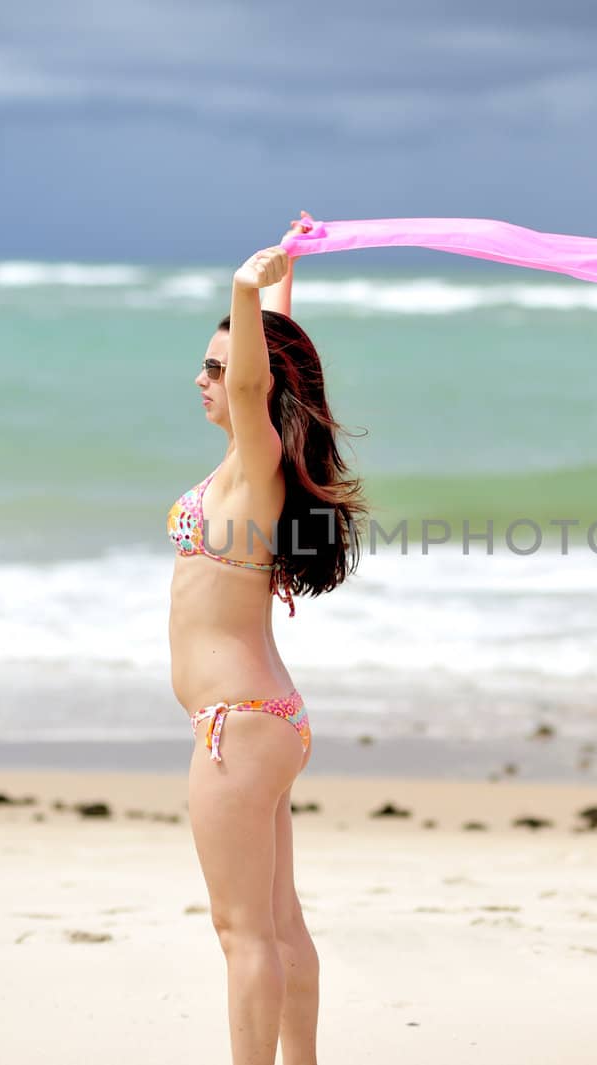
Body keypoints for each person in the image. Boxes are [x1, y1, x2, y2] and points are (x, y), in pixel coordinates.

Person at [167, 213, 365, 1065]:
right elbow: (269, 368)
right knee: (279, 925)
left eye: (217, 366)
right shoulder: (248, 463)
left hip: (237, 725)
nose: (204, 379)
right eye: (206, 365)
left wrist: (244, 290)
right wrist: (286, 274)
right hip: (266, 718)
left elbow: (254, 384)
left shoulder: (257, 462)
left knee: (242, 932)